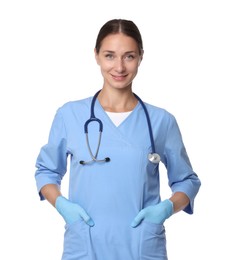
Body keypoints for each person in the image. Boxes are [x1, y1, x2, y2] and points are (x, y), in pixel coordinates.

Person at [35, 18, 201, 260]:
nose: (120, 67)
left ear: (141, 57)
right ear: (96, 55)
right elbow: (46, 171)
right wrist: (62, 205)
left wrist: (166, 209)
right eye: (110, 55)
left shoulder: (161, 121)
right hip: (84, 245)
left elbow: (187, 181)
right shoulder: (69, 115)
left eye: (129, 56)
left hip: (142, 246)